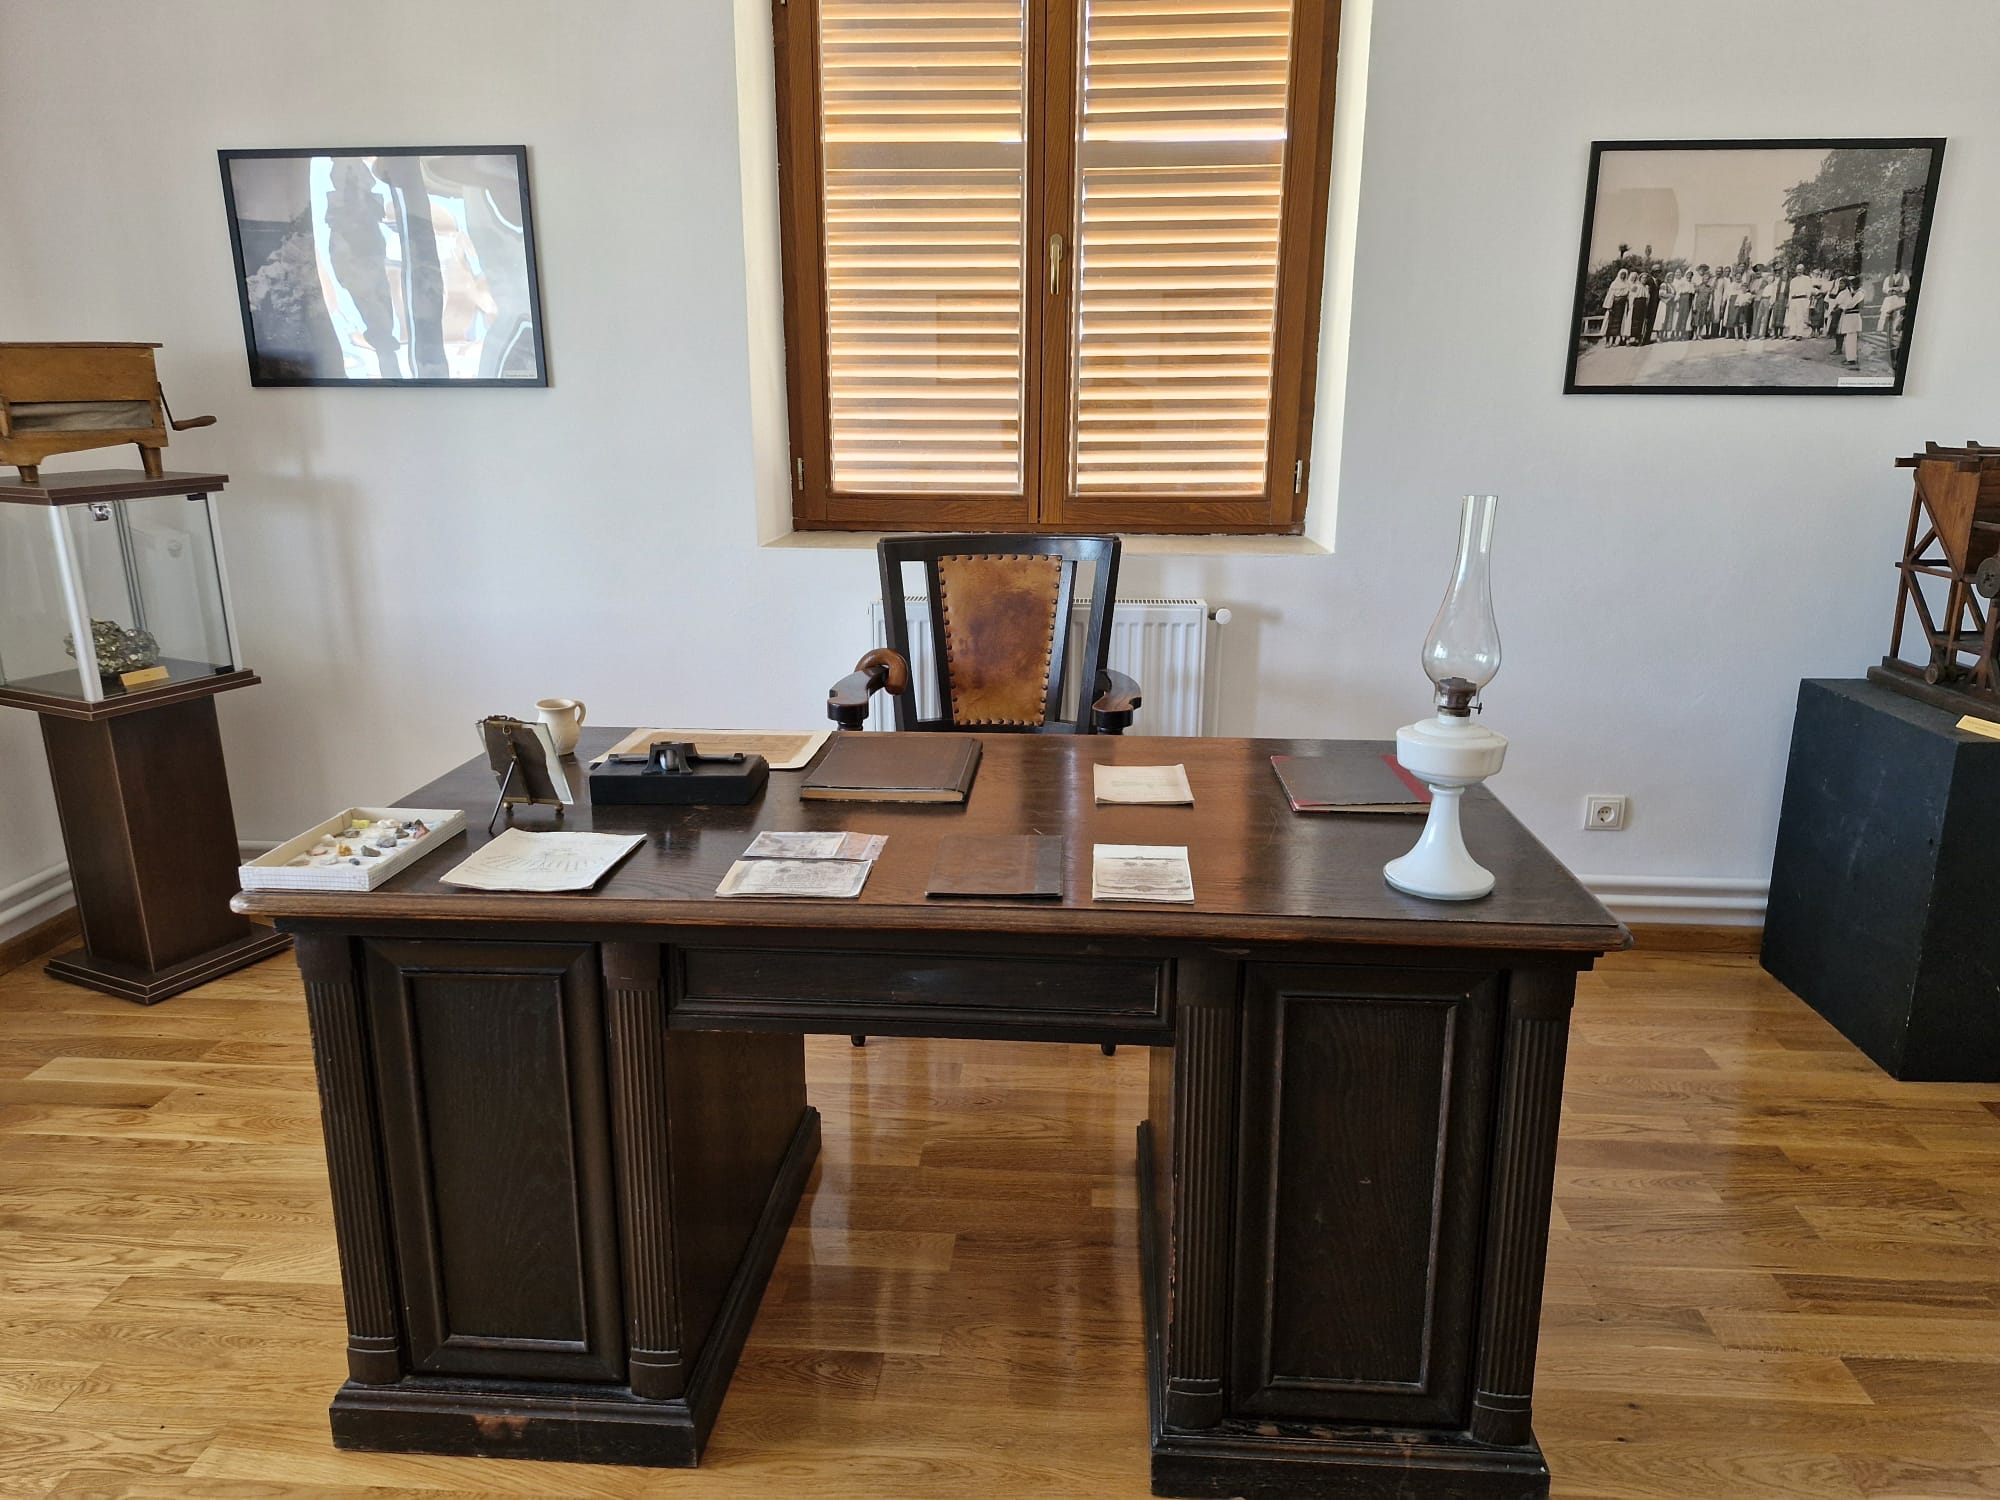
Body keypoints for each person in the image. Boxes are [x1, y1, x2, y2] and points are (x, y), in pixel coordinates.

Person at [1832, 275, 1867, 367]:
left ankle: (1851, 359)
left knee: (1851, 338)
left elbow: (1850, 304)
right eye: (1851, 283)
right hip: (1848, 316)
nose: (1852, 285)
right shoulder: (1852, 292)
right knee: (1848, 338)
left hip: (1853, 316)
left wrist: (1841, 307)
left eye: (1854, 283)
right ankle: (1850, 357)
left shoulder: (1860, 293)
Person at [1880, 267, 1911, 347]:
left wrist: (1900, 289)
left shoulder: (1904, 277)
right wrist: (1890, 289)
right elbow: (1884, 288)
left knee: (1897, 314)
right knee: (1885, 313)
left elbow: (1907, 287)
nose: (1894, 269)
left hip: (1899, 298)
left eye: (1896, 268)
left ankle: (1894, 331)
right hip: (1890, 298)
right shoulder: (1888, 278)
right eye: (1893, 268)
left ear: (1898, 269)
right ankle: (1882, 329)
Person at [1602, 266, 1631, 345]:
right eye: (1622, 274)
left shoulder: (1627, 284)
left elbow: (1629, 294)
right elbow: (1610, 296)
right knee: (1611, 323)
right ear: (1619, 274)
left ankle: (1614, 341)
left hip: (1622, 306)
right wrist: (1609, 307)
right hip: (1614, 305)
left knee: (1618, 323)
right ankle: (1607, 341)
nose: (1623, 276)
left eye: (1624, 275)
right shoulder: (1614, 284)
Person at [1785, 264, 1814, 338]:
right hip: (1793, 299)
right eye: (1798, 269)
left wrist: (1807, 300)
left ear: (1803, 270)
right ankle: (1792, 333)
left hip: (1802, 299)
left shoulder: (1807, 278)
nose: (1799, 271)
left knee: (1800, 317)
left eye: (1801, 269)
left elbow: (1809, 290)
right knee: (1792, 317)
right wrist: (1789, 301)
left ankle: (1799, 334)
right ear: (1796, 270)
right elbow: (1791, 292)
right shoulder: (1793, 280)